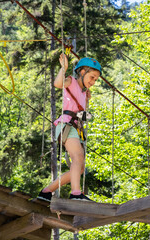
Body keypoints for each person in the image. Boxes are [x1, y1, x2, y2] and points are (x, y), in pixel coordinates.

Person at [38, 53, 102, 202]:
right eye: (91, 77)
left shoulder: (83, 92)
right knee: (77, 157)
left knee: (79, 168)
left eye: (95, 79)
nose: (93, 81)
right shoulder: (71, 81)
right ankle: (75, 193)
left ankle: (47, 192)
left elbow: (82, 114)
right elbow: (58, 84)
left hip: (74, 127)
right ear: (81, 72)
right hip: (66, 125)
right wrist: (63, 68)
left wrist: (86, 99)